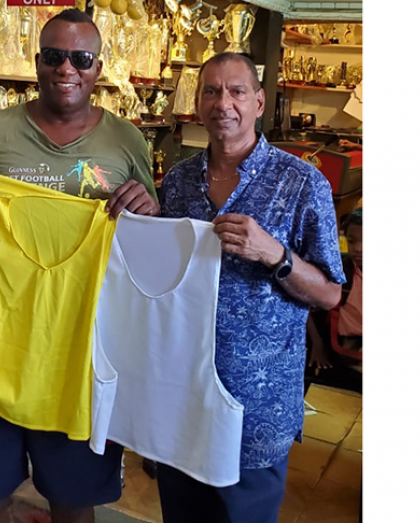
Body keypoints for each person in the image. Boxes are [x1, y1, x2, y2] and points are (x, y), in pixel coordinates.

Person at [0, 9, 158, 523]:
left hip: (82, 352)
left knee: (74, 503)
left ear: (99, 68)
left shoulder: (127, 143)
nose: (66, 69)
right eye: (54, 56)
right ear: (37, 63)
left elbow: (147, 245)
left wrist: (150, 213)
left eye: (81, 58)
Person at [157, 53, 345, 523]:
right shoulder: (177, 183)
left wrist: (276, 255)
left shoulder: (303, 183)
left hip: (255, 407)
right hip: (181, 394)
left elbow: (329, 294)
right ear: (198, 104)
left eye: (237, 91)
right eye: (212, 91)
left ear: (259, 102)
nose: (224, 103)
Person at [307, 207, 363, 386]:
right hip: (341, 354)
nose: (358, 249)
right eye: (352, 241)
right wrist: (318, 344)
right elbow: (306, 304)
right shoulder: (339, 272)